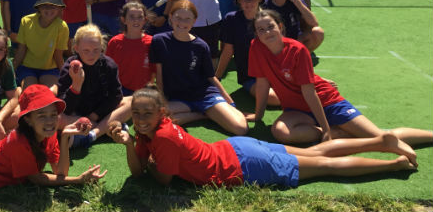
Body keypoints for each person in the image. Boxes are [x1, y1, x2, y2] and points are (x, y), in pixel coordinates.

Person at [108, 85, 418, 188]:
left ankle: (393, 164)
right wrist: (130, 144)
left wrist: (144, 157)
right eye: (136, 114)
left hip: (244, 165)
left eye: (146, 113)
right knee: (318, 155)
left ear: (161, 112)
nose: (140, 120)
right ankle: (380, 141)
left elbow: (159, 179)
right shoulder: (154, 129)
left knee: (326, 165)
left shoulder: (162, 137)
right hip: (236, 148)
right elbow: (139, 168)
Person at [249, 9, 433, 146]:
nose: (267, 32)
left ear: (280, 27)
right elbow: (263, 83)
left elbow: (310, 93)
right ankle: (340, 133)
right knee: (281, 132)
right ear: (256, 33)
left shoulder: (298, 50)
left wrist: (325, 130)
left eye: (270, 27)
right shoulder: (256, 47)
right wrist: (258, 116)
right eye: (261, 29)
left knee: (380, 137)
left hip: (327, 102)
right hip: (297, 109)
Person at [149, 0, 248, 134]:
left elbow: (211, 77)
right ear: (170, 17)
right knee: (154, 119)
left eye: (187, 19)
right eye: (178, 18)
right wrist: (163, 102)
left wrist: (231, 103)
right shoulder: (158, 41)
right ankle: (201, 114)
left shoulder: (201, 46)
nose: (182, 22)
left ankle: (206, 110)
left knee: (241, 128)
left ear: (194, 21)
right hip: (178, 99)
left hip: (204, 96)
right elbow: (159, 77)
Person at [57, 24, 132, 148]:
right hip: (76, 115)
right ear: (76, 48)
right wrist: (76, 85)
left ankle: (93, 134)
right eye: (86, 51)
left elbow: (115, 96)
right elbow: (64, 108)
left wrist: (95, 115)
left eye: (96, 50)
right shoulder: (70, 66)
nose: (91, 55)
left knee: (132, 102)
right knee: (57, 117)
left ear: (102, 47)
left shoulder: (109, 65)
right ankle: (108, 129)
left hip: (101, 113)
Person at [215, 0, 280, 106]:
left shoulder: (270, 18)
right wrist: (216, 79)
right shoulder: (232, 19)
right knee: (271, 98)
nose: (249, 3)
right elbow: (228, 51)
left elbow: (280, 49)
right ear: (238, 0)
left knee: (309, 88)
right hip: (250, 76)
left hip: (275, 71)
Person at [14, 0, 69, 89]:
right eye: (44, 6)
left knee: (50, 93)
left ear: (59, 8)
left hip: (50, 69)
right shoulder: (26, 21)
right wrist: (13, 70)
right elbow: (21, 50)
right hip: (28, 68)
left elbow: (58, 55)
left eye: (53, 6)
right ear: (38, 7)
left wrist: (64, 75)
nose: (49, 9)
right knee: (30, 91)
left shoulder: (62, 26)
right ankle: (19, 91)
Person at [105, 2, 155, 96]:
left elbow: (155, 71)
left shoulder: (152, 42)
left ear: (145, 20)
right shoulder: (115, 42)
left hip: (144, 92)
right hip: (120, 90)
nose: (136, 20)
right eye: (131, 17)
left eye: (140, 17)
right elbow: (108, 70)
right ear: (123, 20)